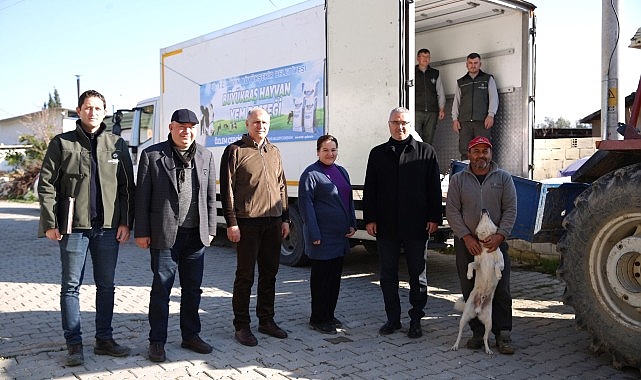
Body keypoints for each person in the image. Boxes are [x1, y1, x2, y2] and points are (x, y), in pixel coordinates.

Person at [37, 90, 135, 366]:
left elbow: (128, 187)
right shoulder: (62, 143)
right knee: (71, 287)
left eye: (98, 108)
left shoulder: (117, 144)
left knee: (106, 286)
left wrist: (126, 222)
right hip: (73, 228)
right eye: (87, 107)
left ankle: (104, 339)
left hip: (107, 229)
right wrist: (49, 223)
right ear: (79, 111)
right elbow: (46, 186)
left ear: (105, 112)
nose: (93, 112)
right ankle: (74, 345)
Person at [134, 108, 217, 362]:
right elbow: (142, 197)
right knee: (161, 290)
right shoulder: (152, 155)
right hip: (164, 235)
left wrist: (211, 229)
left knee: (193, 290)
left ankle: (191, 335)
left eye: (191, 126)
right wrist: (142, 232)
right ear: (171, 127)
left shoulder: (205, 155)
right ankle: (156, 341)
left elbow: (211, 197)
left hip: (196, 236)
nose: (186, 131)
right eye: (181, 126)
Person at [363, 106, 442, 339]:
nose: (400, 127)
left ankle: (416, 319)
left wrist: (434, 218)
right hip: (386, 225)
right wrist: (370, 219)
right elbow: (371, 189)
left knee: (418, 274)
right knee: (388, 275)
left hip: (417, 225)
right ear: (389, 125)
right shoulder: (377, 154)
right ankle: (393, 319)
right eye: (396, 122)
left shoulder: (426, 152)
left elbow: (433, 189)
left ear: (411, 125)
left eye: (404, 122)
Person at [219, 107, 290, 347]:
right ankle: (242, 325)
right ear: (247, 124)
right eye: (256, 122)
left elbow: (282, 186)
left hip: (273, 221)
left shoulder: (274, 151)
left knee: (270, 273)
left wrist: (285, 218)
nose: (261, 126)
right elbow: (226, 190)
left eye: (264, 122)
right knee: (245, 276)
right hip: (247, 223)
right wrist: (232, 222)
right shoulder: (235, 151)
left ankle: (266, 320)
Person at [445, 136, 517, 354]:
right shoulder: (458, 180)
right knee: (471, 289)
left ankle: (503, 334)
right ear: (469, 154)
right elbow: (452, 211)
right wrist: (466, 237)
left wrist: (500, 236)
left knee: (501, 287)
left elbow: (511, 209)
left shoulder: (503, 178)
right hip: (467, 245)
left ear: (491, 154)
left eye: (485, 151)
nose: (481, 156)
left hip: (495, 245)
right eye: (476, 151)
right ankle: (477, 332)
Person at [298, 135, 357, 335]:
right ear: (317, 152)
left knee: (334, 278)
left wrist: (352, 222)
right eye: (325, 150)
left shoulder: (342, 171)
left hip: (339, 235)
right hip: (322, 237)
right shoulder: (311, 174)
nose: (330, 154)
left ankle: (329, 315)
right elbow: (306, 206)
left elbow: (348, 200)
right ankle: (317, 318)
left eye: (333, 150)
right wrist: (313, 233)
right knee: (321, 279)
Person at [451, 53, 499, 160]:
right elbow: (456, 102)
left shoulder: (488, 79)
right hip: (465, 123)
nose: (473, 65)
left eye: (476, 63)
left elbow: (493, 98)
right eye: (470, 63)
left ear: (480, 64)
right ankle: (466, 174)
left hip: (482, 122)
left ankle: (485, 175)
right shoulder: (461, 82)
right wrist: (455, 119)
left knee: (483, 149)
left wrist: (491, 115)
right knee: (465, 150)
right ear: (466, 65)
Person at [415, 48, 446, 145]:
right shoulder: (411, 73)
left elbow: (440, 91)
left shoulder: (435, 73)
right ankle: (415, 159)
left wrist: (441, 108)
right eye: (423, 56)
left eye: (428, 57)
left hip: (432, 112)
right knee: (414, 138)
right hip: (416, 111)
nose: (425, 59)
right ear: (418, 58)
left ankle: (426, 159)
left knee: (428, 140)